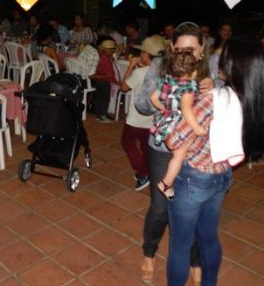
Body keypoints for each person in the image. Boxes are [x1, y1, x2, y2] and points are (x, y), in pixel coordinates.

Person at [156, 40, 264, 286]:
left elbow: (174, 140)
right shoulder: (254, 99)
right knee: (208, 237)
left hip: (193, 179)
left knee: (180, 246)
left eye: (225, 58)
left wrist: (176, 113)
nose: (220, 62)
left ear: (233, 66)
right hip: (222, 177)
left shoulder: (213, 99)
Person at [135, 24, 211, 284]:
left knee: (193, 208)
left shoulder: (209, 71)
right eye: (180, 49)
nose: (186, 53)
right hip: (162, 146)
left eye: (192, 49)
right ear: (171, 47)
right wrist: (165, 102)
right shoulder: (160, 66)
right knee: (160, 207)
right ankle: (149, 252)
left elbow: (222, 105)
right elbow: (142, 103)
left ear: (202, 49)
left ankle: (195, 259)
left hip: (196, 150)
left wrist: (213, 88)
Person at [150, 48, 207, 199]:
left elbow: (153, 98)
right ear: (193, 71)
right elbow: (186, 109)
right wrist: (197, 128)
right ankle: (166, 183)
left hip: (165, 119)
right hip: (178, 122)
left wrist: (164, 109)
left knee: (181, 152)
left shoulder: (165, 80)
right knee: (178, 155)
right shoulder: (189, 86)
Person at [119, 35, 165, 191]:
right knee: (146, 147)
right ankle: (149, 172)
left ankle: (143, 172)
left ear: (147, 55)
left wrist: (131, 66)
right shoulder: (163, 72)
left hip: (136, 119)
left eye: (142, 52)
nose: (140, 55)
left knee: (127, 143)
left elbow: (123, 87)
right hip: (154, 119)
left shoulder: (139, 72)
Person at [89, 38, 117, 123]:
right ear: (105, 50)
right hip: (101, 80)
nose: (112, 52)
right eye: (111, 50)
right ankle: (102, 115)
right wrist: (116, 82)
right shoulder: (105, 60)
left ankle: (99, 114)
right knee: (105, 96)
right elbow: (109, 75)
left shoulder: (101, 56)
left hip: (96, 80)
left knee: (100, 97)